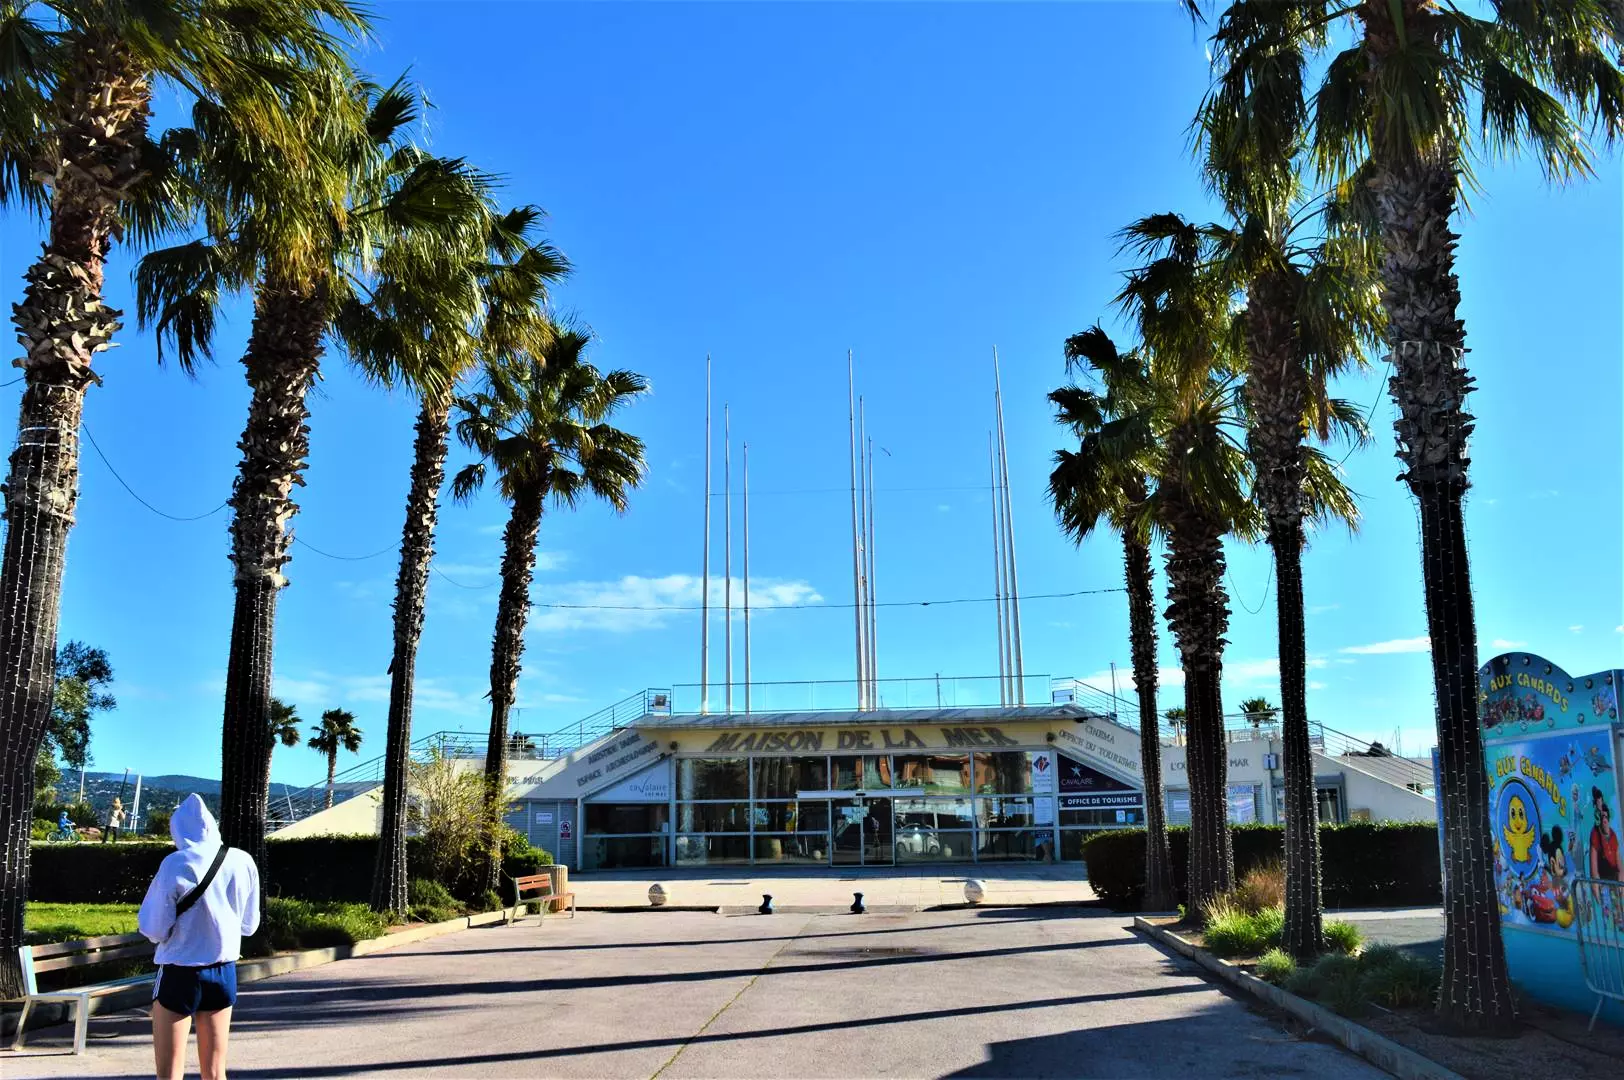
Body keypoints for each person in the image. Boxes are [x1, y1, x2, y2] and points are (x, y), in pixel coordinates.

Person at [138, 795, 260, 1080]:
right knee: (216, 1072)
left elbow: (154, 927)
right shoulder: (243, 861)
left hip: (180, 972)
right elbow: (249, 925)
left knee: (169, 1074)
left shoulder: (175, 863)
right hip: (223, 971)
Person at [1590, 786, 1621, 881]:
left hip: (1613, 873)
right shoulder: (1595, 833)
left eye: (1600, 801)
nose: (1599, 804)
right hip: (1604, 874)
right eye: (1598, 802)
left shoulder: (1612, 834)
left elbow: (1618, 862)